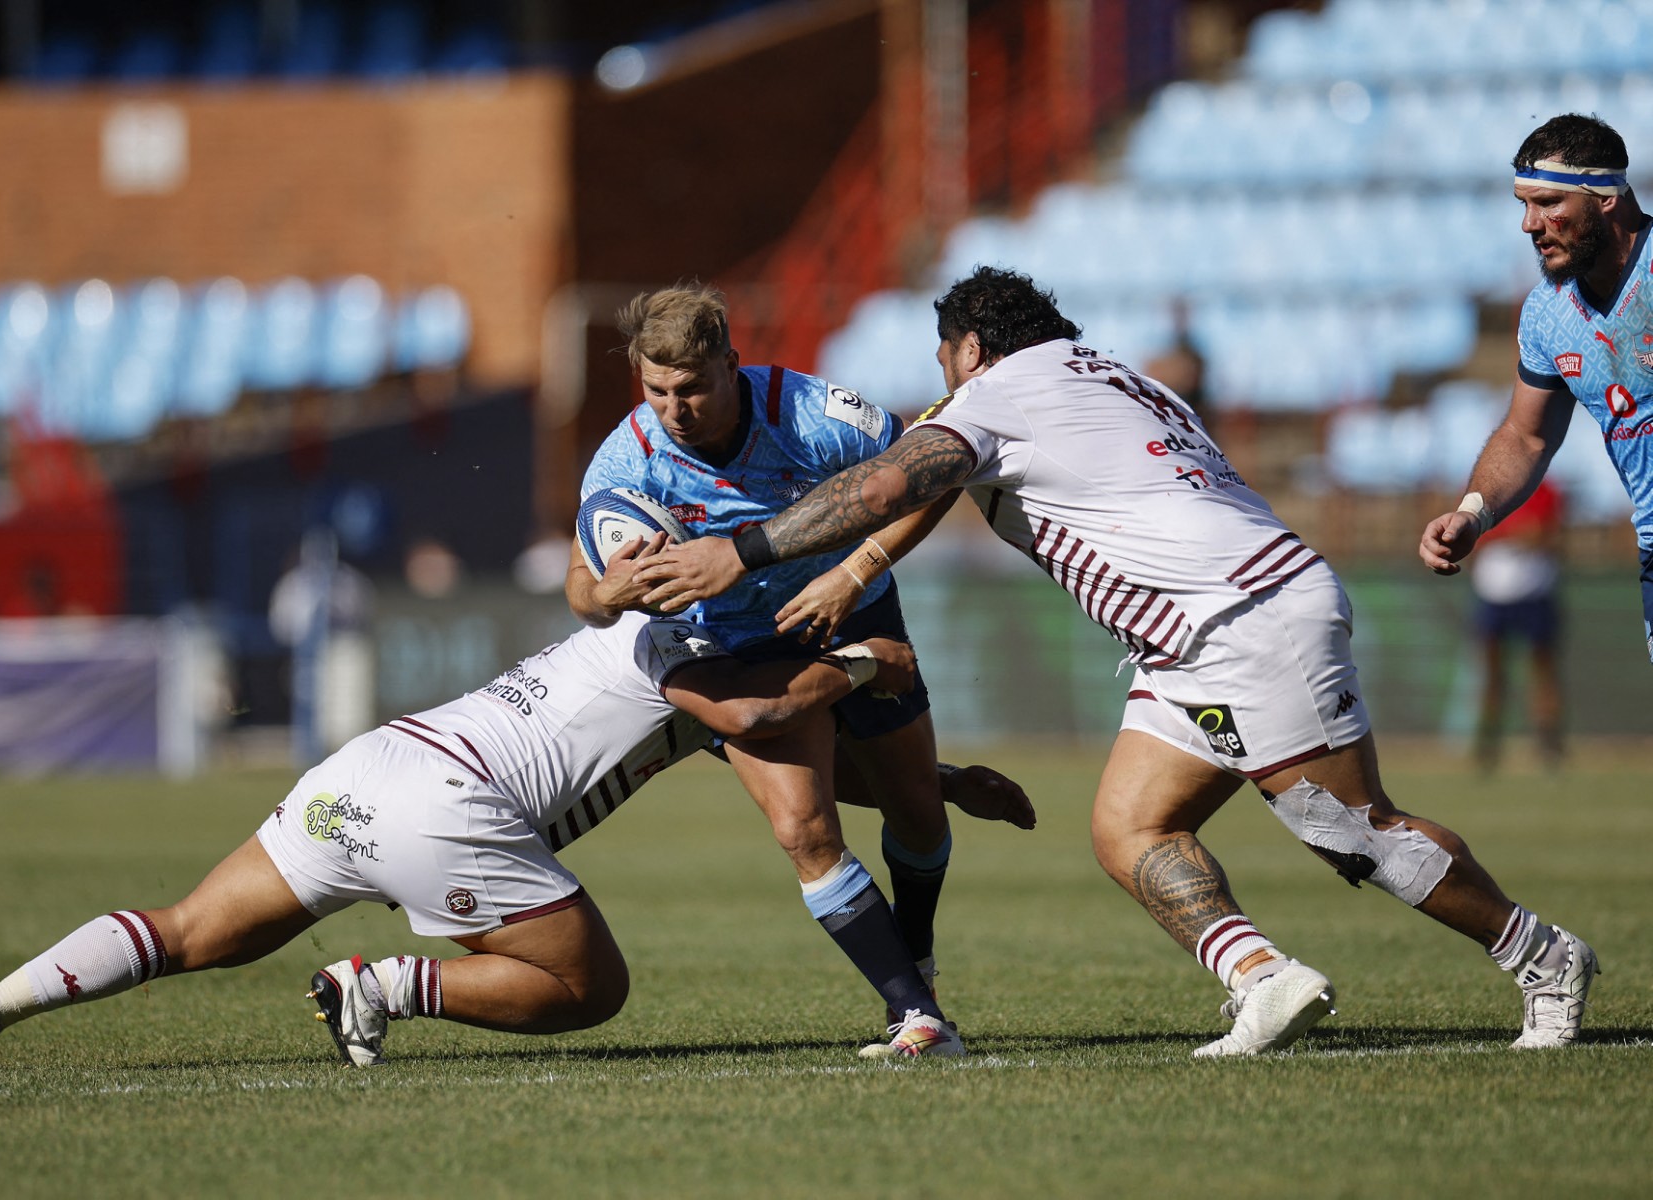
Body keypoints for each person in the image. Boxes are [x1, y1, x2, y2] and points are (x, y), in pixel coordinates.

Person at [637, 266, 1599, 1055]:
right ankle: (1264, 980)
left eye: (947, 363)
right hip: (1196, 634)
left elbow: (898, 475)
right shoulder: (1096, 373)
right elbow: (940, 474)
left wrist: (748, 550)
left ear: (972, 346)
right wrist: (865, 567)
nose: (946, 384)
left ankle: (1541, 954)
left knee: (1353, 831)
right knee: (1127, 827)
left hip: (1239, 617)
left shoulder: (1001, 391)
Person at [0, 603, 1033, 1072]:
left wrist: (946, 781)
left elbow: (768, 746)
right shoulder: (688, 649)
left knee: (192, 930)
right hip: (451, 809)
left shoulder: (674, 649)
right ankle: (383, 981)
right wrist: (865, 664)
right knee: (591, 989)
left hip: (369, 770)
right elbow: (759, 717)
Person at [568, 284, 965, 1055]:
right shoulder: (628, 460)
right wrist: (604, 595)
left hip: (854, 611)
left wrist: (855, 571)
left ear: (731, 365)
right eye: (656, 391)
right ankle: (915, 1013)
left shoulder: (814, 414)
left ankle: (916, 952)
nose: (674, 408)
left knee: (916, 812)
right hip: (735, 647)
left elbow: (937, 470)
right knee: (803, 827)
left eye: (692, 387)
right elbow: (582, 587)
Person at [1419, 113, 1653, 664]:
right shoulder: (1548, 313)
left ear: (1607, 197)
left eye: (1549, 203)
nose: (1529, 223)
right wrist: (1473, 513)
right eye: (1524, 204)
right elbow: (1526, 437)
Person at [1468, 480, 1565, 772]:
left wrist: (1526, 536)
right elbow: (1474, 536)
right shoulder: (1481, 488)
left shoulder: (1548, 490)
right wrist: (1517, 534)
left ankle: (1549, 746)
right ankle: (1488, 747)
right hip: (1493, 594)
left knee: (1543, 671)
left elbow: (1550, 536)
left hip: (1535, 592)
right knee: (1493, 674)